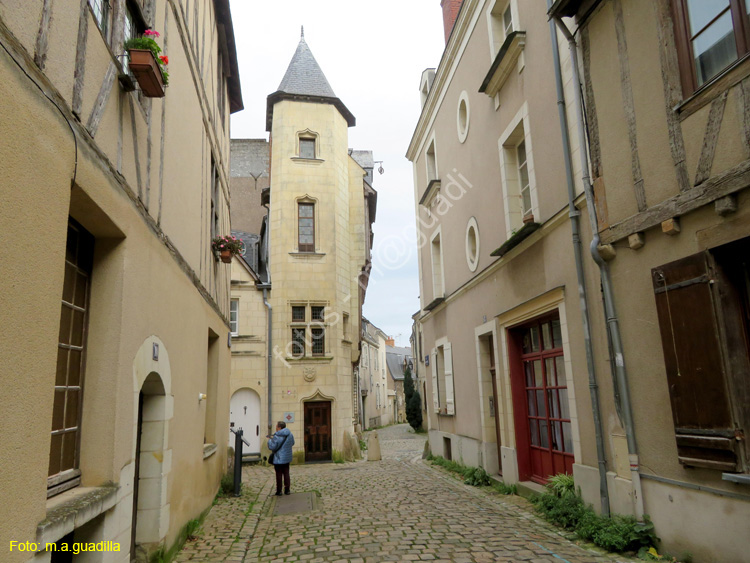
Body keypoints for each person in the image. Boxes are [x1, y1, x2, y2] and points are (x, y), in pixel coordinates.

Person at [267, 421, 294, 496]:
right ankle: (287, 489)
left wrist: (269, 440)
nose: (276, 428)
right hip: (287, 457)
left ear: (279, 427)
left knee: (278, 474)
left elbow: (272, 446)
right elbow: (292, 443)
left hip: (278, 458)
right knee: (286, 473)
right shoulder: (290, 434)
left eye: (276, 426)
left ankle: (279, 490)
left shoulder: (277, 436)